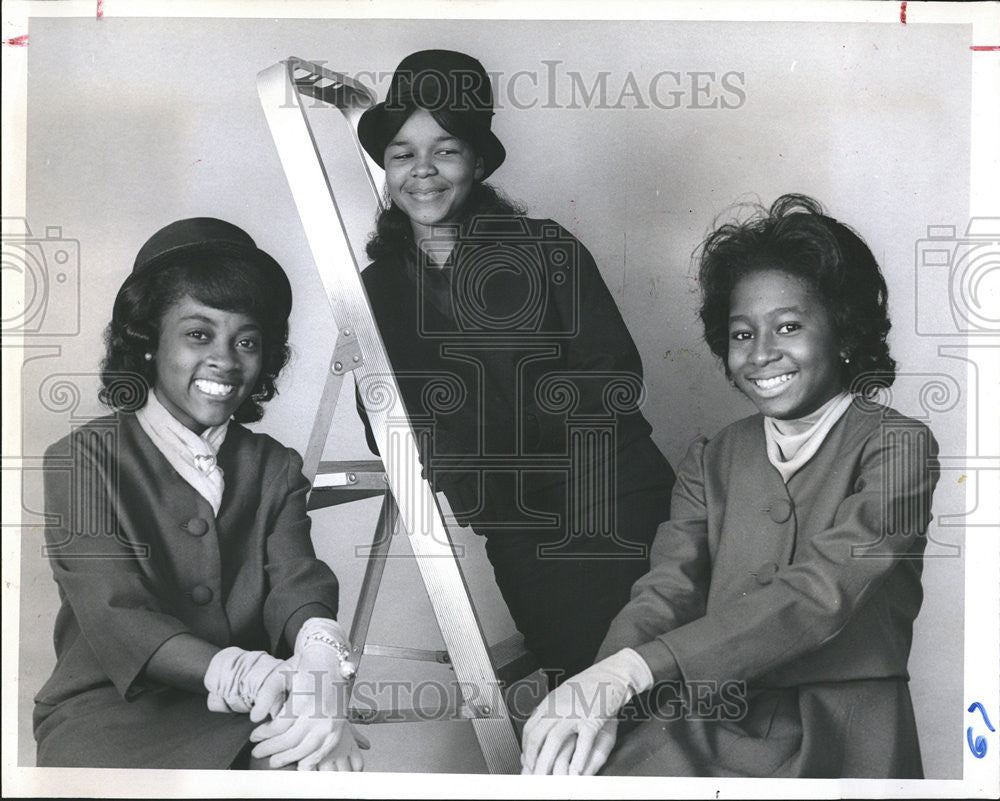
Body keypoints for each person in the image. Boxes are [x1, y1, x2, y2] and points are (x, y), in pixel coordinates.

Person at [521, 194, 940, 777]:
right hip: (713, 719)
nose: (762, 353)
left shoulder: (898, 445)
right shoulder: (713, 455)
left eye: (789, 327)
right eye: (742, 334)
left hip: (846, 734)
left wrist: (636, 672)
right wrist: (601, 690)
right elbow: (665, 591)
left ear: (846, 333)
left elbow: (823, 593)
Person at [354, 50, 676, 684]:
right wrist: (461, 463)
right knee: (576, 692)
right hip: (516, 527)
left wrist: (498, 446)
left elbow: (611, 377)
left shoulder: (546, 247)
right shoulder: (375, 291)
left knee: (654, 685)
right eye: (402, 153)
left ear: (477, 160)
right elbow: (387, 425)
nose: (423, 171)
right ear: (387, 169)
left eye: (445, 150)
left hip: (614, 503)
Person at [34, 218, 367, 770]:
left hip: (249, 710)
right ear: (146, 341)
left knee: (324, 765)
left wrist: (320, 663)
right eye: (198, 334)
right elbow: (116, 610)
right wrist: (249, 672)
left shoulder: (275, 466)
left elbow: (295, 581)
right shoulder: (83, 459)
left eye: (247, 341)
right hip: (111, 713)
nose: (226, 359)